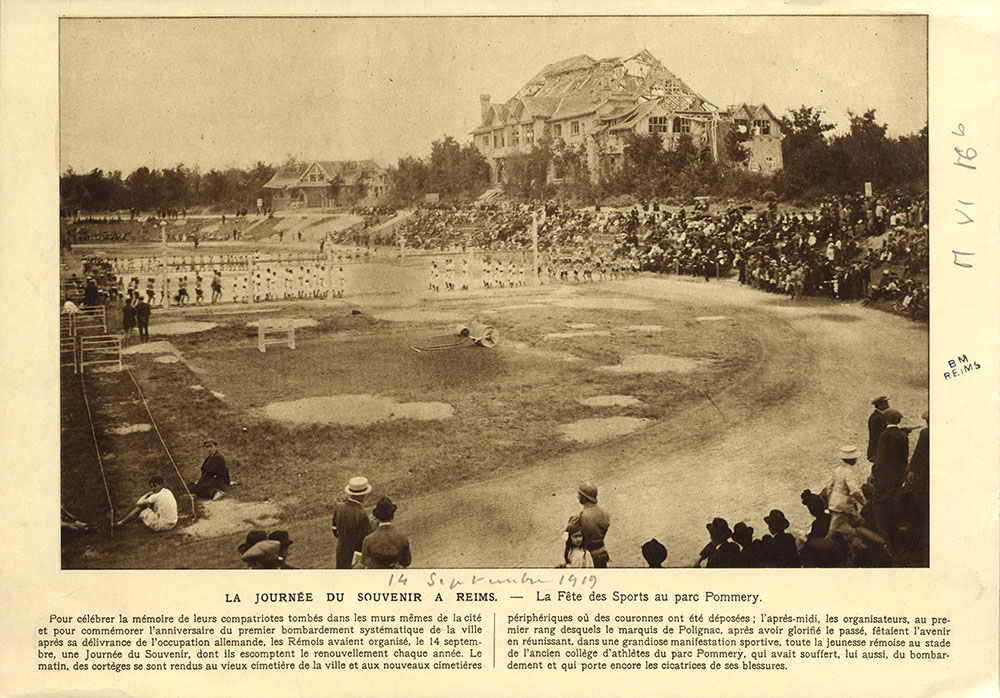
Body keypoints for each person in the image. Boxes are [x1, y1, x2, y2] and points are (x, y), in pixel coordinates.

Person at [870, 408, 910, 544]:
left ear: (886, 420)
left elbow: (880, 459)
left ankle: (883, 536)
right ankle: (895, 535)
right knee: (894, 503)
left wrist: (874, 471)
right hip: (897, 476)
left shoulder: (884, 436)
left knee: (880, 504)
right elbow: (904, 458)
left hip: (884, 477)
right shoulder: (903, 436)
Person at [332, 476, 373, 569]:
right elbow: (366, 539)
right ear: (362, 495)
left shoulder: (339, 509)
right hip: (356, 557)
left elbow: (335, 531)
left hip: (341, 552)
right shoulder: (361, 514)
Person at [824, 446, 866, 536]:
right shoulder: (849, 472)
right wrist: (864, 502)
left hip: (835, 503)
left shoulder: (837, 470)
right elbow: (855, 491)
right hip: (842, 505)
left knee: (854, 521)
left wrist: (831, 500)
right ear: (853, 459)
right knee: (835, 529)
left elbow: (828, 487)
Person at [361, 496, 412, 569]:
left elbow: (364, 562)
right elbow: (406, 562)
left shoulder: (368, 540)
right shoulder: (402, 537)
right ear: (392, 515)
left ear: (377, 517)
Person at [575, 482, 611, 568]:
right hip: (602, 553)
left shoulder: (581, 516)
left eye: (579, 495)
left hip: (587, 557)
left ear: (584, 498)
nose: (577, 497)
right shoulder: (605, 513)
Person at [867, 396, 890, 463]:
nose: (888, 406)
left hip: (875, 450)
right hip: (878, 451)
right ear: (880, 405)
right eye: (886, 404)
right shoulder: (879, 418)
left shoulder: (876, 416)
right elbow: (885, 434)